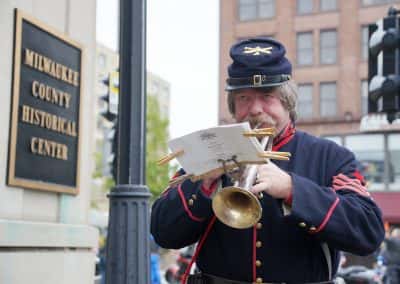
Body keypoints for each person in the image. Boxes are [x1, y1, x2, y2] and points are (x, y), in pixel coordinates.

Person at [151, 37, 385, 284]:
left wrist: (293, 189)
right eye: (244, 98)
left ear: (287, 100)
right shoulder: (210, 149)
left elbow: (368, 232)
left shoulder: (330, 156)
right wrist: (203, 185)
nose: (254, 109)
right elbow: (162, 233)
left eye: (267, 95)